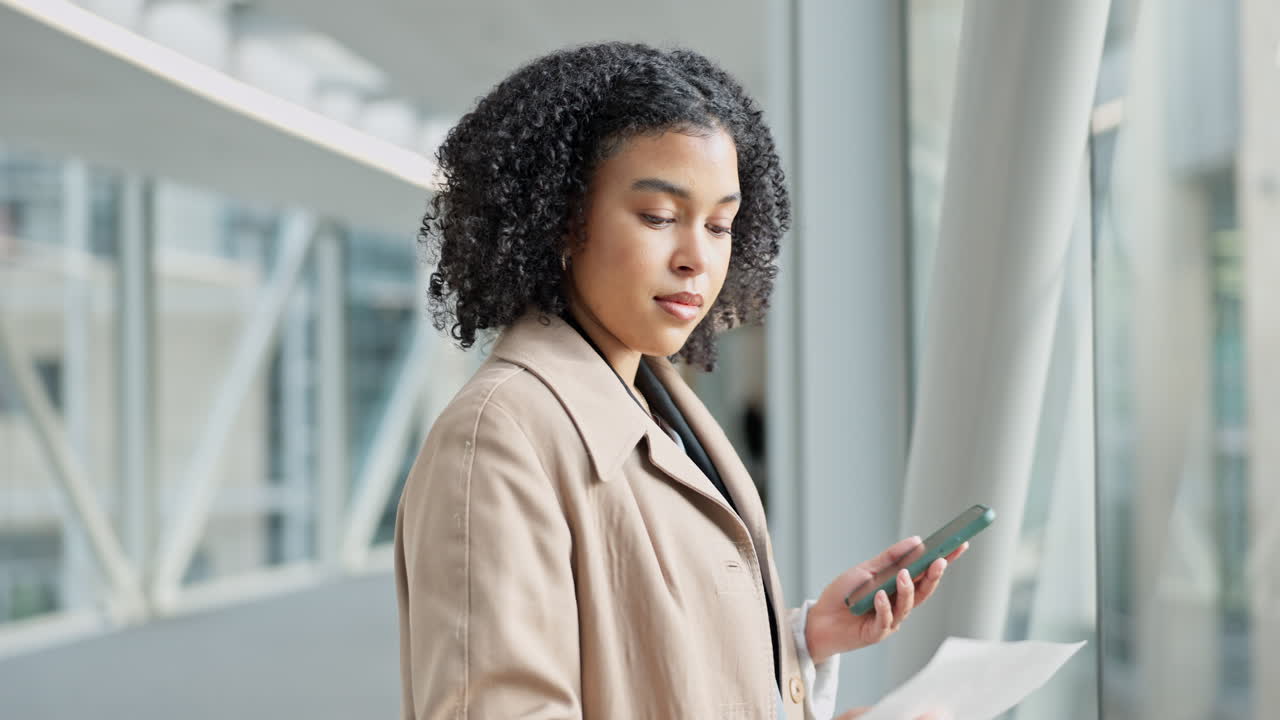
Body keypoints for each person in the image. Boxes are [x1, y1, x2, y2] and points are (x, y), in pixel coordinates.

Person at [393, 41, 966, 720]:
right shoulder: (498, 436)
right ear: (561, 220)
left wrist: (801, 640)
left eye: (721, 225)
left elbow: (646, 661)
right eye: (660, 218)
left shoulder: (658, 402)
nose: (698, 257)